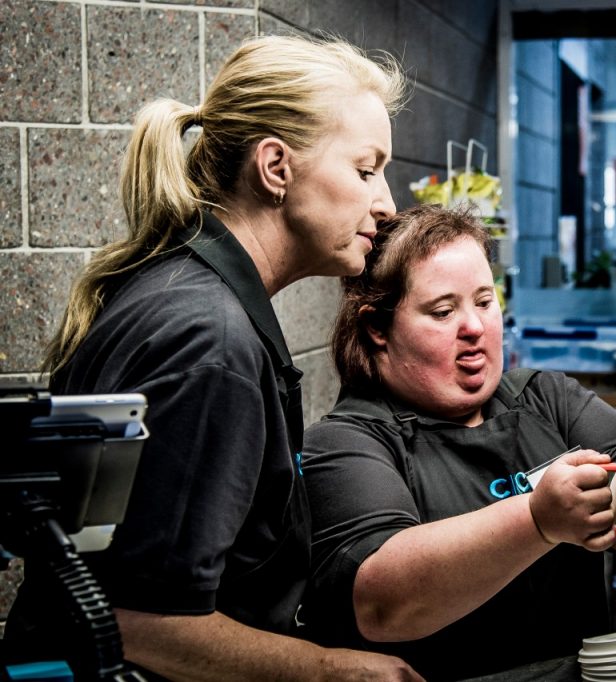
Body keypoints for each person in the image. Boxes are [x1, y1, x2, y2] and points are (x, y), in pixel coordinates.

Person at [7, 35, 423, 681]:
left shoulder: (183, 291)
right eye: (366, 169)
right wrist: (334, 670)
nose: (387, 204)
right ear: (276, 167)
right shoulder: (210, 341)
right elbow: (144, 621)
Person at [300, 204, 616, 681]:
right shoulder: (345, 444)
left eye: (484, 301)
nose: (474, 327)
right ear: (377, 329)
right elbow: (383, 604)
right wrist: (537, 519)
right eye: (443, 311)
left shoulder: (546, 399)